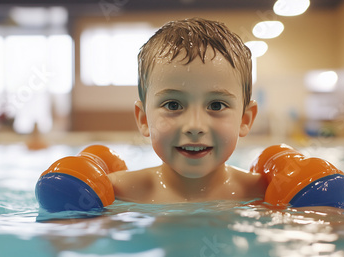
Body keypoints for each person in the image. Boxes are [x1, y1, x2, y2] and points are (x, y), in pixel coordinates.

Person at [107, 18, 267, 204]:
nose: (195, 126)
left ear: (244, 120)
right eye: (173, 105)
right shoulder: (117, 192)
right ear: (143, 119)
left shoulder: (265, 193)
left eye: (216, 105)